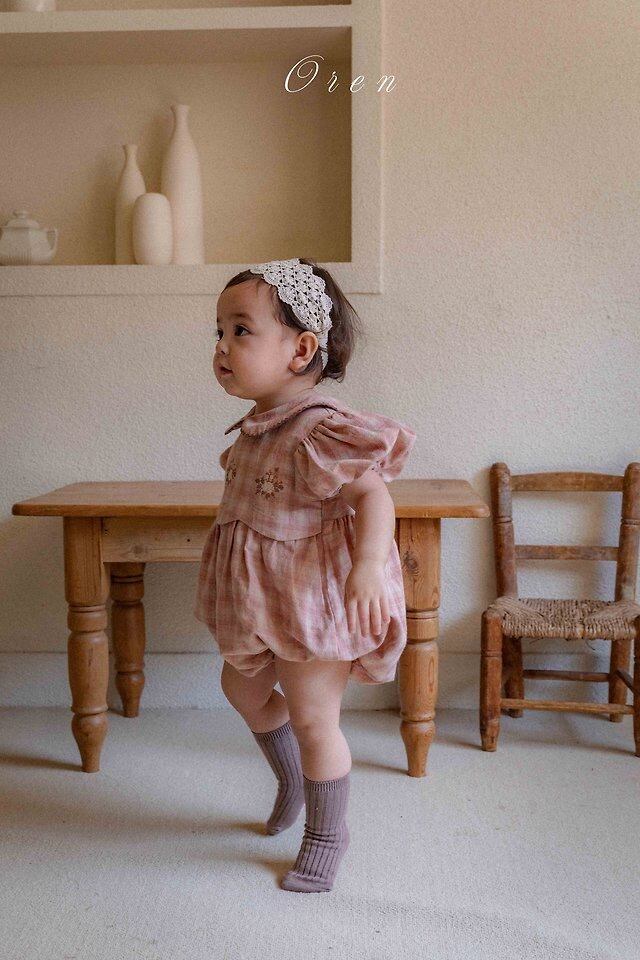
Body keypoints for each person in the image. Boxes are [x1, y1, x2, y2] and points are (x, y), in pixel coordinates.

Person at [194, 257, 416, 893]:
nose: (222, 346)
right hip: (258, 599)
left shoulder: (320, 428)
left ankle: (326, 833)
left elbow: (373, 498)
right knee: (240, 688)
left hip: (311, 601)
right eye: (218, 332)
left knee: (315, 718)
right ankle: (292, 777)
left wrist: (368, 565)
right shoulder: (255, 429)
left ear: (301, 349)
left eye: (241, 330)